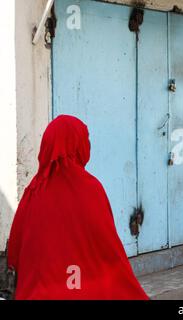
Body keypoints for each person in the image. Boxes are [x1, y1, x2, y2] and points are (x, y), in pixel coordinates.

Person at [7, 115, 149, 300]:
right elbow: (110, 250)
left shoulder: (33, 192)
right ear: (78, 145)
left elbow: (15, 252)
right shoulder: (91, 189)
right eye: (85, 140)